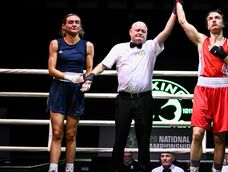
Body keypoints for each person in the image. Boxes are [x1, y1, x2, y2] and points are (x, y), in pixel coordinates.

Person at [80, 8, 177, 172]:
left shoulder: (151, 46)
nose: (140, 32)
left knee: (144, 138)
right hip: (123, 99)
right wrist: (90, 76)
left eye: (143, 31)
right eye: (137, 30)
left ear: (147, 34)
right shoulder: (119, 48)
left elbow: (167, 31)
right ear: (130, 32)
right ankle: (116, 168)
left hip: (144, 98)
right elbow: (103, 64)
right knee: (120, 137)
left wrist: (175, 11)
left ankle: (144, 169)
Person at [176, 1, 228, 172]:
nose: (214, 20)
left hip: (223, 90)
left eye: (217, 18)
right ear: (207, 24)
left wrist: (223, 55)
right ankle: (193, 170)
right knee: (197, 134)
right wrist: (178, 3)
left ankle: (217, 170)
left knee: (219, 138)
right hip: (203, 89)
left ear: (223, 23)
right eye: (211, 18)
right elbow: (183, 22)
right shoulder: (201, 40)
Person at [47, 13, 94, 172]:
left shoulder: (88, 45)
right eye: (71, 22)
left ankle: (69, 168)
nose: (74, 24)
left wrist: (88, 81)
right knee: (57, 132)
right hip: (59, 88)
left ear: (80, 26)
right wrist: (68, 76)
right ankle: (53, 168)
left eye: (77, 22)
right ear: (64, 26)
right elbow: (51, 69)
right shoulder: (55, 43)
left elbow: (89, 69)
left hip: (76, 91)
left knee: (71, 134)